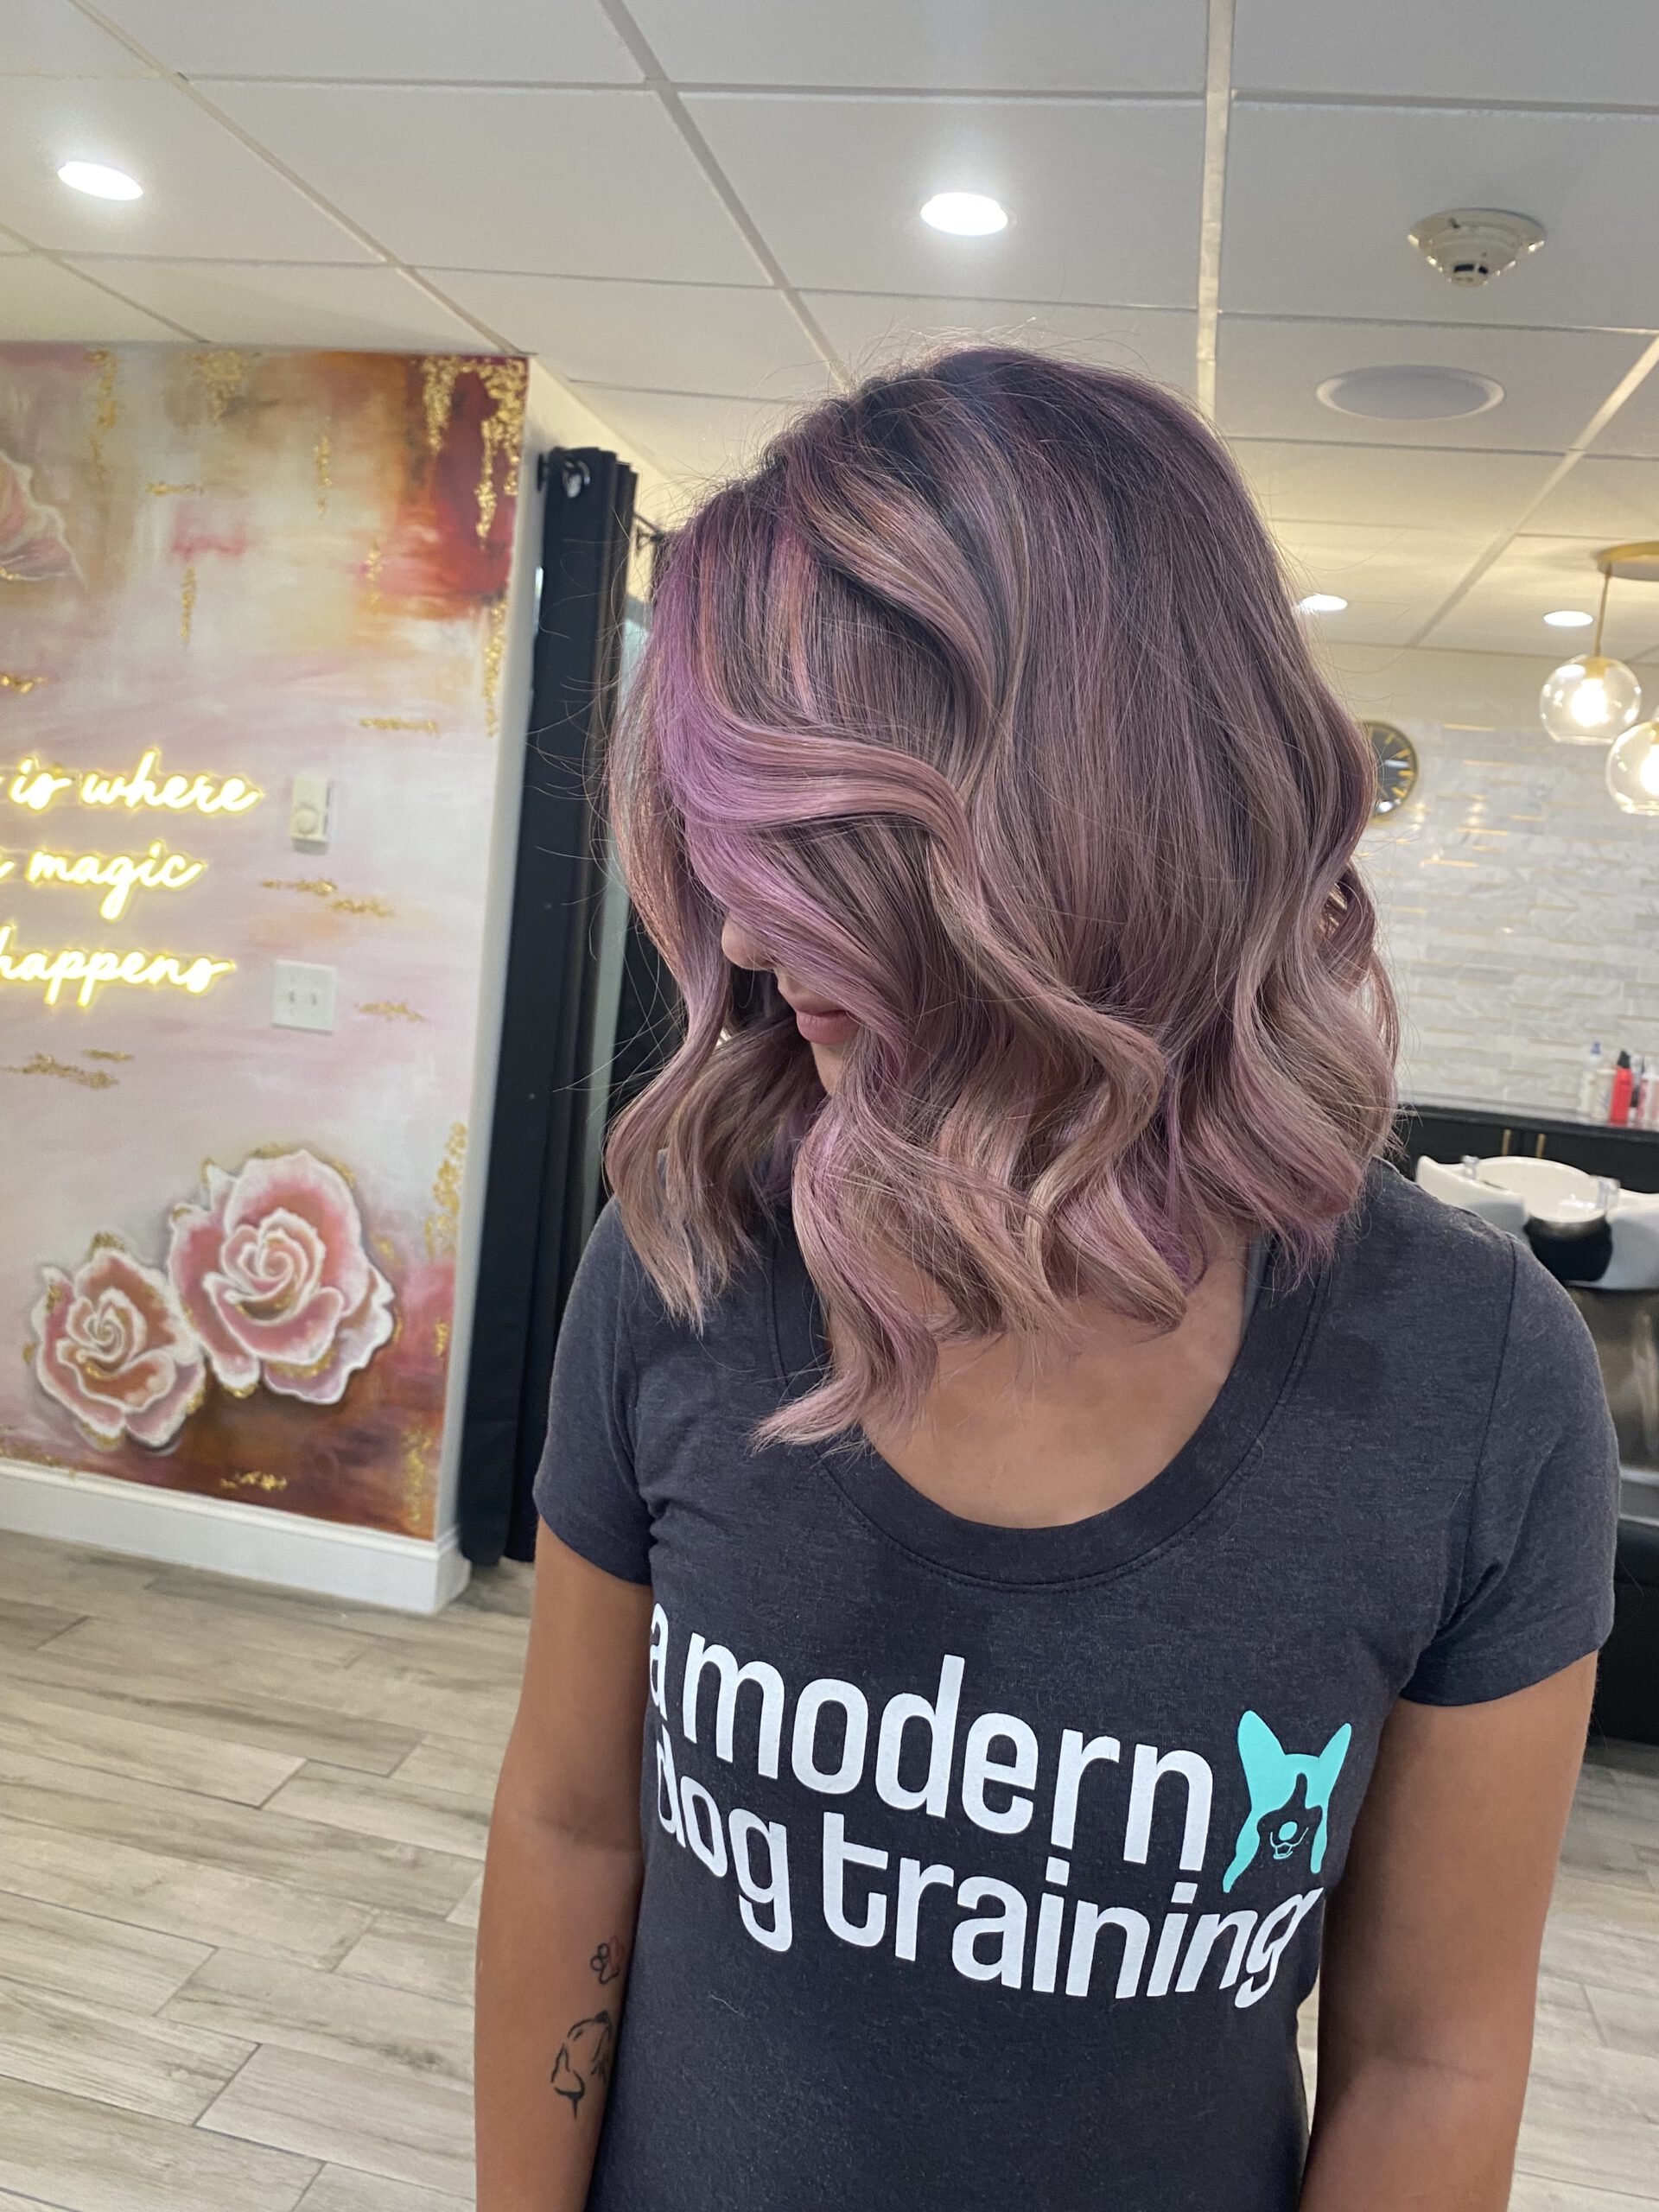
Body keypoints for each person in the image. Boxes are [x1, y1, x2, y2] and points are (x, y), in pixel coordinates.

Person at [474, 347, 1618, 2212]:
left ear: (1083, 823)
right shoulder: (695, 1246)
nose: (746, 935)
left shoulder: (1474, 1381)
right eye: (733, 849)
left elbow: (1430, 2051)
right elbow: (570, 1819)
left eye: (819, 852)